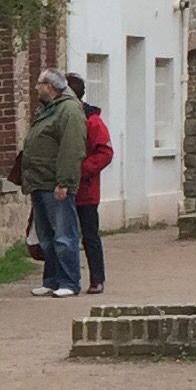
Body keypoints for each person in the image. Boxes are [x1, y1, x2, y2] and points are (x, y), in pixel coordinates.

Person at [18, 69, 91, 296]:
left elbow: (72, 149)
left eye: (39, 83)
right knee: (47, 237)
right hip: (40, 181)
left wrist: (64, 182)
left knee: (64, 235)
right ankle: (51, 280)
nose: (36, 88)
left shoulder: (69, 110)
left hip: (55, 183)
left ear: (49, 86)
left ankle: (69, 282)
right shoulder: (48, 109)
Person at [74, 92, 114, 295]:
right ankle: (65, 280)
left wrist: (81, 171)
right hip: (64, 188)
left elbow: (105, 153)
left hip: (86, 190)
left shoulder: (93, 121)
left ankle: (97, 279)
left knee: (90, 236)